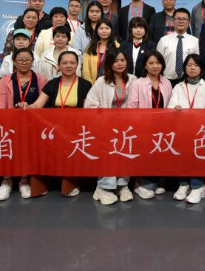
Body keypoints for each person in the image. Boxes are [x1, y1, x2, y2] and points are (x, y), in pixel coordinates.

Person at [23, 51, 93, 197]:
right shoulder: (52, 84)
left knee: (70, 145)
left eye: (72, 63)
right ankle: (40, 185)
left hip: (75, 129)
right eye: (64, 63)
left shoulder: (85, 85)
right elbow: (37, 105)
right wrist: (26, 106)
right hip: (53, 129)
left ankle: (71, 183)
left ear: (77, 65)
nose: (68, 66)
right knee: (37, 146)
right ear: (59, 66)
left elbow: (87, 112)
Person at [85, 49, 138, 204]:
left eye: (122, 60)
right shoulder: (101, 81)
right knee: (108, 155)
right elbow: (90, 104)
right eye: (115, 61)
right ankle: (104, 187)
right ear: (109, 63)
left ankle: (122, 185)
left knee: (125, 154)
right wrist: (104, 117)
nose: (120, 63)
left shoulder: (133, 80)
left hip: (126, 126)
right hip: (106, 126)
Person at [0, 48, 47, 201]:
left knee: (27, 151)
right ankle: (7, 181)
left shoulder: (40, 79)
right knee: (9, 151)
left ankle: (24, 180)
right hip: (10, 124)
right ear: (14, 62)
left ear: (32, 62)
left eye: (27, 60)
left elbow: (43, 103)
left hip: (33, 124)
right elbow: (1, 106)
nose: (24, 62)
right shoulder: (6, 80)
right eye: (20, 60)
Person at [167, 54, 205, 204]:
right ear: (184, 68)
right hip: (182, 130)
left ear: (201, 68)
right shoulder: (179, 86)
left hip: (201, 130)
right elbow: (171, 107)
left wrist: (192, 118)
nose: (192, 68)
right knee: (181, 156)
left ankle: (198, 186)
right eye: (189, 65)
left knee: (197, 156)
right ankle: (183, 184)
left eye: (196, 65)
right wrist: (175, 109)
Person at [126, 50, 173, 197]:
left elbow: (170, 104)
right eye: (151, 63)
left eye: (158, 63)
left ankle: (159, 182)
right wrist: (139, 125)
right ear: (145, 65)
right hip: (144, 127)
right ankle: (140, 184)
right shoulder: (137, 83)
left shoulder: (166, 82)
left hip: (163, 127)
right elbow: (132, 107)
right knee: (145, 155)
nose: (155, 66)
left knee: (161, 154)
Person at [156, 8, 199, 87]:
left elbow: (198, 63)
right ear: (173, 21)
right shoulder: (163, 40)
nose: (181, 21)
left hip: (189, 81)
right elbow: (158, 61)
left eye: (184, 19)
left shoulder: (195, 41)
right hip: (166, 81)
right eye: (178, 19)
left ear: (189, 22)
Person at [82, 18, 121, 84]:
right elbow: (86, 71)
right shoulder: (90, 48)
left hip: (113, 84)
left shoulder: (118, 47)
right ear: (97, 30)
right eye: (101, 28)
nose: (104, 31)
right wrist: (91, 85)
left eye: (107, 28)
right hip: (93, 85)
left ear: (111, 30)